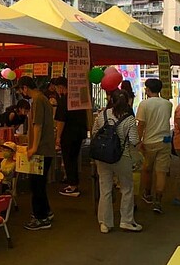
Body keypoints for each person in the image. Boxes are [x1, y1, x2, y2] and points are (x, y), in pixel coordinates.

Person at [92, 89, 142, 233]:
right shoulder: (129, 118)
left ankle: (105, 223)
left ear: (111, 100)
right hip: (122, 157)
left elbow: (94, 132)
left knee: (105, 189)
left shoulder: (102, 115)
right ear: (127, 101)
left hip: (102, 157)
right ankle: (126, 221)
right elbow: (133, 140)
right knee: (127, 188)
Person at [15, 76, 55, 231]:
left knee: (36, 184)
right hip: (45, 148)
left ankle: (41, 218)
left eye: (20, 89)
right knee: (40, 183)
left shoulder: (38, 100)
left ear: (25, 88)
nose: (21, 93)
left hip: (41, 150)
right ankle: (46, 212)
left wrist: (33, 148)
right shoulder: (42, 99)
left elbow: (37, 126)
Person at [136, 78, 173, 214]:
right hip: (165, 141)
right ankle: (158, 201)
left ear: (147, 89)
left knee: (147, 169)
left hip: (149, 142)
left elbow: (141, 125)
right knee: (161, 172)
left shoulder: (144, 104)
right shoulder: (167, 104)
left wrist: (138, 141)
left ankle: (147, 194)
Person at [54, 76, 88, 197]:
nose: (57, 91)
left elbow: (61, 120)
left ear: (61, 87)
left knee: (69, 160)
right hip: (79, 134)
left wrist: (58, 137)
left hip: (68, 135)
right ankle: (73, 184)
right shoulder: (78, 98)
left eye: (57, 88)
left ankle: (73, 186)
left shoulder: (64, 101)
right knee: (73, 159)